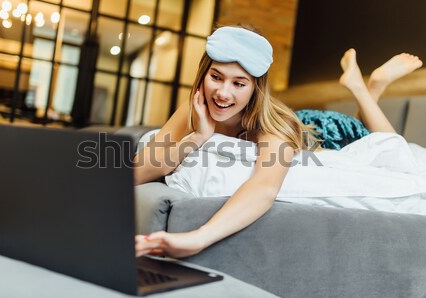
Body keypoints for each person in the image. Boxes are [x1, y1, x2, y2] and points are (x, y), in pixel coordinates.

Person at [134, 25, 423, 258]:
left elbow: (264, 187)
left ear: (255, 89)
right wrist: (197, 137)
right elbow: (139, 170)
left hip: (326, 133)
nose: (222, 93)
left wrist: (197, 239)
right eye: (216, 77)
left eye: (239, 83)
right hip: (301, 124)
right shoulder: (193, 108)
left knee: (391, 148)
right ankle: (370, 89)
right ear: (203, 75)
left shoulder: (274, 125)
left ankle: (367, 87)